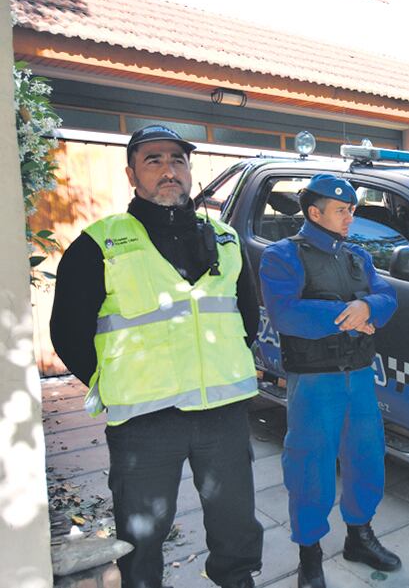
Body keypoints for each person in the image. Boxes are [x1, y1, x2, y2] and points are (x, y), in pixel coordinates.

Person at [50, 125, 264, 588]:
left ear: (189, 172)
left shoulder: (227, 239)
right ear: (132, 175)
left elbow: (246, 317)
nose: (169, 170)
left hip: (222, 414)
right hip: (145, 420)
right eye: (154, 161)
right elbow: (67, 332)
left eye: (178, 160)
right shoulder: (99, 244)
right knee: (142, 533)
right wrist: (115, 379)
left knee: (235, 524)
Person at [259, 174, 400, 588]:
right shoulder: (283, 256)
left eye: (352, 209)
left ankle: (359, 535)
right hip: (315, 381)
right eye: (342, 210)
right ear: (314, 212)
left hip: (358, 377)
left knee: (366, 458)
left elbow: (386, 296)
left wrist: (368, 305)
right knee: (310, 466)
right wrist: (355, 320)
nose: (349, 217)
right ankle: (310, 555)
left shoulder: (357, 256)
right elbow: (286, 313)